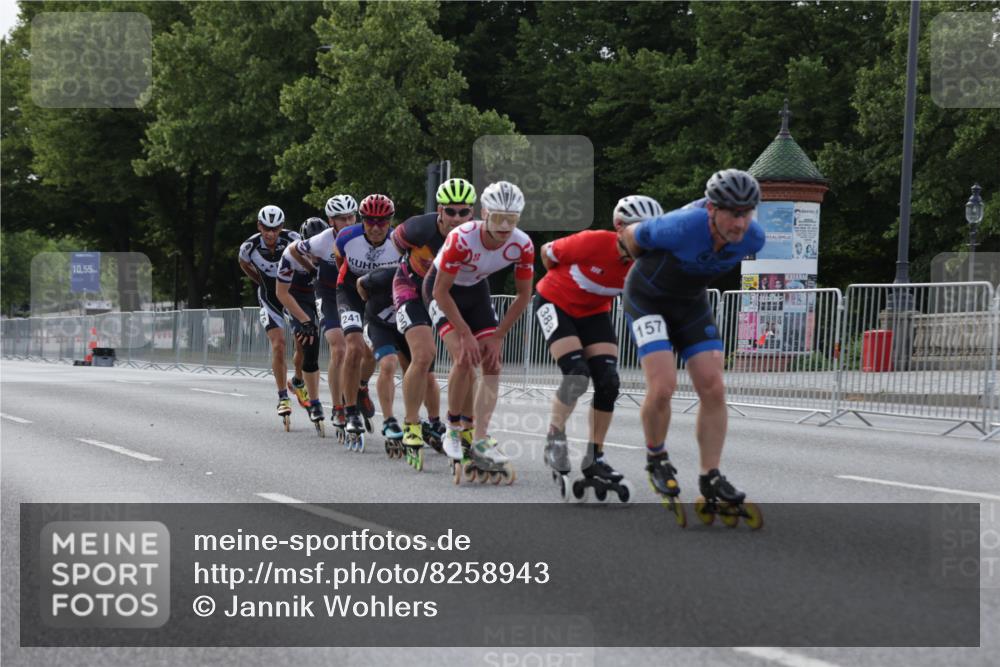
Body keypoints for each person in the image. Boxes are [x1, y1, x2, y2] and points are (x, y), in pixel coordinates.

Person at [619, 169, 765, 526]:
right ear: (712, 209)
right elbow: (629, 235)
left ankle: (710, 476)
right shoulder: (681, 225)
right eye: (733, 212)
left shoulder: (754, 239)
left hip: (689, 304)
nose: (741, 222)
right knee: (664, 385)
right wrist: (633, 253)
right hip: (647, 298)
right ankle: (657, 457)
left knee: (714, 386)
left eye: (747, 212)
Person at [535, 195, 664, 502]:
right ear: (620, 228)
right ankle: (555, 437)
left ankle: (596, 457)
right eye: (639, 231)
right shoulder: (593, 242)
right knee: (577, 375)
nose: (645, 239)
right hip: (555, 302)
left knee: (609, 382)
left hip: (594, 313)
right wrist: (557, 279)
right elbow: (547, 253)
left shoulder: (646, 263)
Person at [426, 180, 534, 484]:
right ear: (484, 213)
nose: (504, 226)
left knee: (491, 363)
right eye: (498, 217)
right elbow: (440, 291)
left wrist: (498, 336)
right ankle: (452, 429)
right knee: (463, 357)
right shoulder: (462, 238)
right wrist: (465, 334)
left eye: (511, 220)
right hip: (442, 290)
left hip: (476, 292)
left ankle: (481, 436)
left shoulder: (522, 244)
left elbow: (524, 295)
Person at [390, 177, 477, 453]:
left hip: (446, 293)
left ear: (472, 213)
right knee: (424, 354)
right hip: (411, 289)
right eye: (450, 211)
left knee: (466, 357)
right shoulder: (418, 227)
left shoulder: (476, 236)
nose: (456, 217)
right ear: (439, 210)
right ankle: (412, 423)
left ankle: (466, 426)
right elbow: (396, 244)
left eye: (463, 212)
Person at [334, 194, 403, 448]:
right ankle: (350, 411)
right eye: (369, 221)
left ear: (390, 221)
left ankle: (361, 386)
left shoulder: (399, 242)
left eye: (382, 222)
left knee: (374, 351)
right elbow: (341, 262)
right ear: (362, 220)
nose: (375, 227)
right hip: (350, 291)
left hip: (380, 293)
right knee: (352, 346)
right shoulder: (346, 238)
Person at [357, 266, 443, 469]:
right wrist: (367, 303)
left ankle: (434, 421)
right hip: (379, 325)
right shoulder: (387, 275)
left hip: (407, 328)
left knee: (426, 373)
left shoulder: (433, 281)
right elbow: (360, 284)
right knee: (388, 363)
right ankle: (388, 420)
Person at [237, 205, 300, 426]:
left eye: (275, 228)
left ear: (282, 227)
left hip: (292, 296)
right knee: (279, 344)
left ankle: (298, 380)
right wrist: (260, 281)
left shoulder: (293, 238)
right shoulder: (249, 246)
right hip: (269, 299)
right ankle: (283, 396)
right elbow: (243, 263)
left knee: (303, 343)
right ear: (259, 226)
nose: (271, 233)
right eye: (266, 228)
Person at [275, 217, 329, 433]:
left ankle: (298, 380)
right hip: (296, 298)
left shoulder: (330, 248)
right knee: (308, 342)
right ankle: (315, 403)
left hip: (322, 294)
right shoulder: (290, 256)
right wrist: (305, 320)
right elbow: (282, 293)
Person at [319, 194, 359, 434]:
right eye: (341, 218)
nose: (347, 222)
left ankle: (358, 389)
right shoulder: (321, 240)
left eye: (351, 216)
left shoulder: (362, 237)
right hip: (327, 293)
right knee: (339, 347)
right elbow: (292, 255)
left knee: (360, 349)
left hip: (353, 293)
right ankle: (337, 406)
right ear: (330, 221)